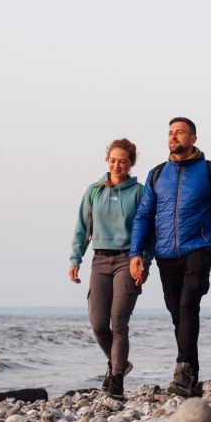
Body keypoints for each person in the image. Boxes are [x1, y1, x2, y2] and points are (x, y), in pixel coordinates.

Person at [130, 117, 211, 397]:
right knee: (177, 313)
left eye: (179, 132)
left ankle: (182, 371)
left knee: (188, 304)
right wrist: (136, 253)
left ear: (193, 139)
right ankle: (192, 376)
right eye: (170, 132)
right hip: (166, 254)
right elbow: (143, 216)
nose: (173, 137)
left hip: (200, 247)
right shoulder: (157, 174)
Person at [69, 138, 151, 398]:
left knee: (119, 322)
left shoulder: (139, 192)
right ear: (108, 161)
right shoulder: (94, 191)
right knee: (97, 324)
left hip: (128, 260)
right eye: (113, 160)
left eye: (123, 161)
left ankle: (116, 379)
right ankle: (120, 364)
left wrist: (145, 262)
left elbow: (150, 231)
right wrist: (75, 260)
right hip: (99, 261)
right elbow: (82, 228)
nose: (117, 165)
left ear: (131, 163)